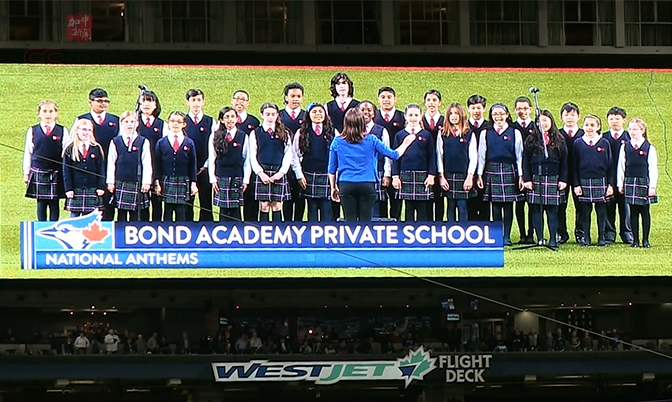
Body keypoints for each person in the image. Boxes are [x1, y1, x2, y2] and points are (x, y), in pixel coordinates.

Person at [328, 108, 416, 221]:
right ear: (362, 123)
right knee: (366, 222)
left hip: (346, 184)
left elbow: (331, 169)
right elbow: (394, 155)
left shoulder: (337, 141)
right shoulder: (372, 140)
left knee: (350, 222)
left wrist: (333, 188)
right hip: (367, 184)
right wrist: (406, 143)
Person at [476, 103, 524, 246]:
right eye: (495, 114)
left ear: (507, 115)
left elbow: (519, 155)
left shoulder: (514, 133)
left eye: (501, 114)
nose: (498, 117)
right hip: (491, 169)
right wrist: (479, 174)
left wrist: (521, 175)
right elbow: (481, 155)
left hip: (509, 169)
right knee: (495, 206)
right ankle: (497, 235)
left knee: (508, 206)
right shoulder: (486, 133)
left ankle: (506, 236)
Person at [521, 110, 568, 247]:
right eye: (540, 121)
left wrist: (563, 180)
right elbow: (525, 161)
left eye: (546, 120)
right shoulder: (531, 139)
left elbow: (565, 161)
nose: (543, 124)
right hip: (536, 179)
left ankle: (553, 238)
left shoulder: (559, 139)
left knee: (552, 210)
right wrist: (527, 179)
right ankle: (540, 238)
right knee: (536, 210)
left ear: (551, 121)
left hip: (554, 178)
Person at [76, 88, 119, 221]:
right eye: (99, 101)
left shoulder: (115, 120)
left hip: (110, 167)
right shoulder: (81, 120)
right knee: (90, 204)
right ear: (90, 102)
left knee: (109, 203)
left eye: (106, 101)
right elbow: (74, 143)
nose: (103, 104)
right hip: (88, 168)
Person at [617, 118, 658, 248]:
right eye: (630, 129)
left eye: (635, 129)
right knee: (633, 212)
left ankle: (645, 240)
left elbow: (652, 168)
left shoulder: (649, 148)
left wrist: (652, 186)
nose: (632, 132)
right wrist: (620, 184)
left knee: (645, 211)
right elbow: (621, 167)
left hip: (643, 181)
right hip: (630, 181)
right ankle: (635, 241)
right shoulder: (625, 146)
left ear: (642, 130)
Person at [23, 100, 67, 221]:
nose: (48, 114)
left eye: (51, 111)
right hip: (38, 170)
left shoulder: (62, 131)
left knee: (54, 202)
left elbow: (66, 154)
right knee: (41, 202)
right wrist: (26, 173)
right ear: (39, 114)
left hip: (56, 171)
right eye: (44, 111)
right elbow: (28, 152)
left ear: (56, 114)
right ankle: (41, 227)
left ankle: (54, 227)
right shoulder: (32, 130)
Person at [392, 104, 436, 222]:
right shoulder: (400, 135)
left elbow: (432, 156)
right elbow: (395, 157)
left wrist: (431, 175)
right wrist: (395, 176)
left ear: (421, 116)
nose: (413, 118)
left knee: (422, 207)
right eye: (410, 115)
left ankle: (422, 233)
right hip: (405, 175)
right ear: (405, 116)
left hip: (422, 175)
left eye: (416, 115)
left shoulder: (426, 135)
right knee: (409, 207)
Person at [573, 115, 613, 247]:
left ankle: (602, 238)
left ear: (598, 127)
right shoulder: (578, 143)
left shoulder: (604, 143)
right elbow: (574, 166)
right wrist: (576, 184)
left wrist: (610, 184)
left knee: (601, 211)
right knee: (585, 211)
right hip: (584, 181)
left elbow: (610, 165)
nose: (589, 128)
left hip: (600, 181)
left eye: (592, 125)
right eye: (587, 125)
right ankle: (587, 238)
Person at [249, 103, 293, 222]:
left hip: (278, 172)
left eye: (273, 114)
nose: (270, 117)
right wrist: (260, 173)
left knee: (277, 205)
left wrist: (281, 172)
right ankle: (263, 232)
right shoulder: (255, 133)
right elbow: (252, 155)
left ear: (277, 115)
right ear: (262, 115)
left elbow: (288, 154)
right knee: (264, 205)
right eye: (267, 114)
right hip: (263, 172)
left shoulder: (285, 133)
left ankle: (277, 233)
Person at [106, 111, 152, 222]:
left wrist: (146, 182)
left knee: (136, 215)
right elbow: (111, 162)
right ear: (121, 123)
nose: (130, 124)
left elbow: (146, 162)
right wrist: (110, 182)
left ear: (137, 123)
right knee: (121, 214)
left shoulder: (143, 141)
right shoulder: (115, 141)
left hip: (137, 182)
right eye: (126, 121)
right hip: (121, 182)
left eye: (132, 121)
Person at [154, 111, 198, 222]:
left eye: (179, 122)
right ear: (168, 122)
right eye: (172, 121)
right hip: (167, 181)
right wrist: (157, 182)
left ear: (184, 124)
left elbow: (193, 164)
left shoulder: (189, 143)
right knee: (167, 212)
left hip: (183, 181)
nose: (175, 124)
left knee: (181, 212)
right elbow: (157, 164)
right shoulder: (161, 142)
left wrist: (193, 183)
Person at [209, 106, 251, 222]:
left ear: (237, 119)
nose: (230, 120)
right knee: (223, 210)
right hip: (221, 177)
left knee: (236, 210)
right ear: (222, 120)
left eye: (232, 116)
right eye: (226, 117)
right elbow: (212, 159)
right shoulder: (215, 136)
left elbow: (247, 159)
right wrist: (213, 180)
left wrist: (246, 180)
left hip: (237, 177)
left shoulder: (243, 136)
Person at [292, 103, 333, 222]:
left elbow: (338, 156)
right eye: (314, 112)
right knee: (312, 207)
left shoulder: (333, 132)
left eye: (321, 111)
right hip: (308, 174)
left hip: (327, 175)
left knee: (326, 207)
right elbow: (295, 156)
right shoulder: (301, 133)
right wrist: (300, 175)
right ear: (308, 115)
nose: (318, 114)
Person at [436, 103, 477, 222]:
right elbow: (439, 155)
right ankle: (451, 233)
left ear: (461, 115)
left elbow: (473, 156)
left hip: (463, 176)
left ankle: (463, 233)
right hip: (448, 176)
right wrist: (441, 176)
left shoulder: (469, 133)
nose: (453, 116)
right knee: (450, 206)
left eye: (456, 113)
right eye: (451, 113)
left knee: (462, 206)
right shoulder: (443, 133)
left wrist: (470, 177)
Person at [184, 88, 218, 222]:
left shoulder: (210, 122)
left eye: (199, 100)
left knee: (206, 203)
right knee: (187, 204)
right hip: (187, 169)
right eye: (193, 100)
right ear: (187, 102)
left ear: (203, 102)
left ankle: (207, 232)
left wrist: (206, 165)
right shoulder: (182, 121)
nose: (196, 103)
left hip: (205, 169)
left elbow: (214, 147)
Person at [374, 86, 406, 220]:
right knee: (380, 199)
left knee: (396, 199)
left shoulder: (403, 117)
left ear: (395, 99)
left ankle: (395, 226)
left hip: (398, 163)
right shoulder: (373, 117)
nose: (386, 100)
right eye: (383, 97)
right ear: (378, 100)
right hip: (379, 165)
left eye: (389, 97)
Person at [62, 119, 106, 217]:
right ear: (77, 130)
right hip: (76, 189)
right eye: (84, 129)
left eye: (89, 130)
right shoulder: (70, 149)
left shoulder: (96, 148)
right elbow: (66, 172)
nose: (86, 133)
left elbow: (101, 169)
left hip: (92, 189)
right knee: (74, 216)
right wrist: (68, 189)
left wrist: (101, 186)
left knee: (91, 217)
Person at [604, 107, 633, 244]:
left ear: (624, 120)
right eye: (611, 119)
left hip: (625, 179)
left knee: (625, 207)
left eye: (617, 118)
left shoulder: (629, 138)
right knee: (608, 207)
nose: (614, 121)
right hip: (608, 179)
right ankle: (609, 233)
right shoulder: (603, 138)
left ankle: (627, 232)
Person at [232, 90, 261, 222]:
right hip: (233, 167)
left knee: (250, 201)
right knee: (232, 202)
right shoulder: (226, 119)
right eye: (237, 98)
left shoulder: (254, 122)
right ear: (232, 101)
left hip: (251, 166)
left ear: (248, 103)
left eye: (243, 99)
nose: (239, 101)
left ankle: (250, 230)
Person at [359, 101, 392, 218]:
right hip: (358, 174)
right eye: (362, 110)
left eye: (369, 110)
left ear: (374, 113)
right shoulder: (352, 130)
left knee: (378, 209)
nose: (365, 113)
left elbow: (388, 154)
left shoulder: (381, 131)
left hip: (377, 173)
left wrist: (387, 175)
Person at [558, 102, 585, 244]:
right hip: (561, 177)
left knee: (580, 206)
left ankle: (580, 233)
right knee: (559, 206)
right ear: (561, 117)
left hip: (579, 177)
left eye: (572, 115)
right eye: (566, 115)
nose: (569, 118)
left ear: (578, 117)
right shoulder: (557, 134)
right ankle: (561, 233)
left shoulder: (584, 135)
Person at [280, 82, 307, 222]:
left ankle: (298, 225)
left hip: (302, 164)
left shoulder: (307, 116)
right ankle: (287, 225)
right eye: (292, 96)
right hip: (283, 164)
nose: (295, 99)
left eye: (298, 96)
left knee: (301, 196)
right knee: (286, 197)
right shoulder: (278, 115)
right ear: (286, 97)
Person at [137, 90, 164, 222]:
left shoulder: (161, 124)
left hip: (156, 167)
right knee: (141, 203)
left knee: (157, 202)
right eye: (144, 101)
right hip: (138, 168)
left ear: (156, 105)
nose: (146, 104)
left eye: (150, 101)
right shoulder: (133, 123)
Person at [513, 96, 536, 244]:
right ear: (515, 110)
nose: (522, 111)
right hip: (515, 171)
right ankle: (522, 234)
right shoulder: (511, 127)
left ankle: (531, 233)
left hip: (533, 171)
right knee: (519, 203)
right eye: (519, 109)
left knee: (533, 204)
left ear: (531, 110)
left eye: (525, 108)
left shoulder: (537, 127)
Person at [466, 94, 490, 221]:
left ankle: (484, 232)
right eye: (473, 108)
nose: (476, 111)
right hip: (467, 171)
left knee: (485, 202)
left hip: (486, 171)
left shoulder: (489, 126)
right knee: (469, 203)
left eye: (479, 108)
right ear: (468, 109)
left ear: (484, 109)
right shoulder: (463, 126)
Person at [423, 89, 445, 221]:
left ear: (440, 103)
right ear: (424, 103)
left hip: (442, 165)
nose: (431, 103)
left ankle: (439, 226)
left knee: (439, 198)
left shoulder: (445, 121)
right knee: (426, 197)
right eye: (429, 100)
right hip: (424, 164)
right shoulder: (418, 120)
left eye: (434, 100)